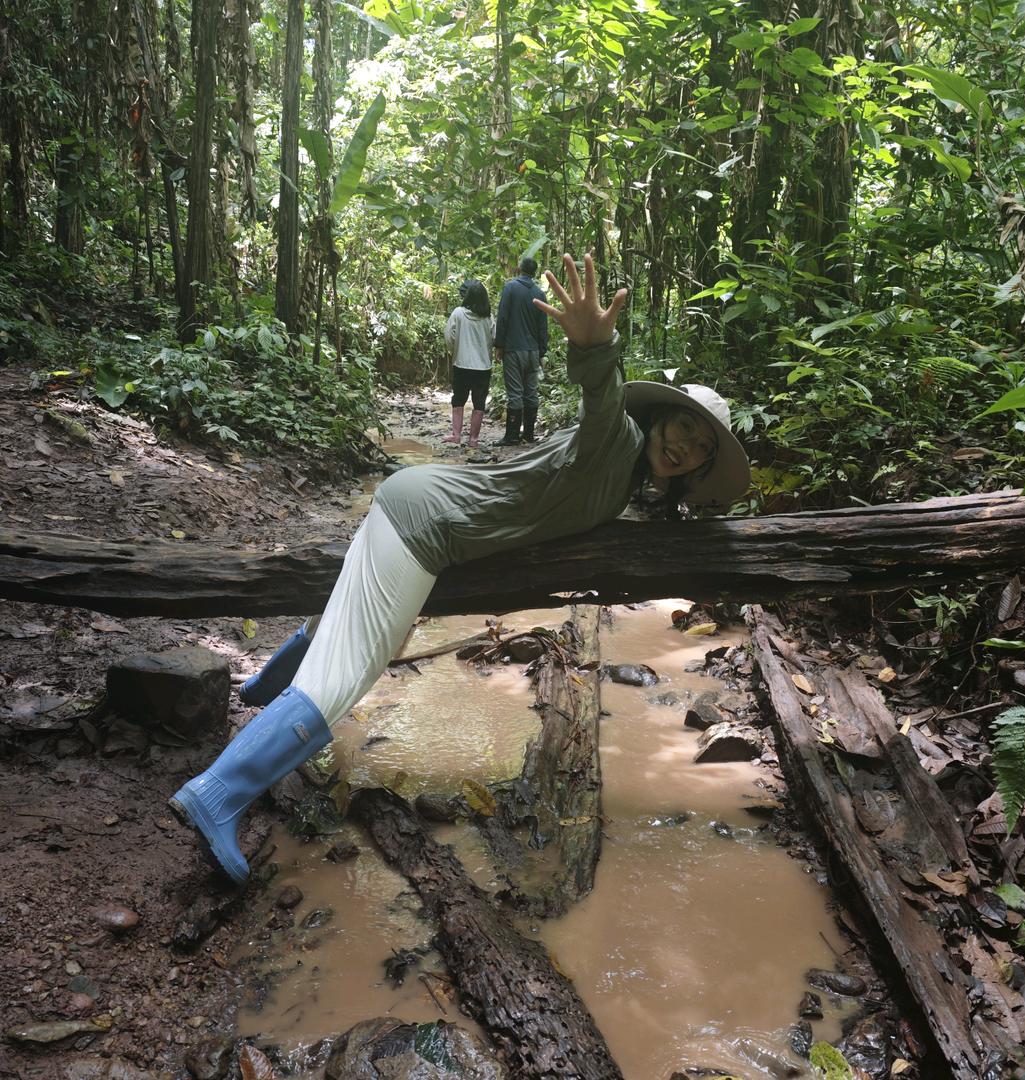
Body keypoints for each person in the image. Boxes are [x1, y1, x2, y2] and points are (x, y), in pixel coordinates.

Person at [170, 253, 751, 885]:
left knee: (368, 632)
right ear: (659, 417)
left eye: (700, 448)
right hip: (427, 528)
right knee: (347, 678)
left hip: (419, 502)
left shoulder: (626, 474)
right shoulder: (617, 441)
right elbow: (603, 397)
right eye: (683, 429)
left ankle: (264, 687)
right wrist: (597, 346)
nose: (685, 447)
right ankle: (219, 793)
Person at [493, 256, 548, 446]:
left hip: (513, 350)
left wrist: (499, 345)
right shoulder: (540, 294)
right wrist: (542, 352)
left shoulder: (510, 288)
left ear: (520, 269)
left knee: (515, 393)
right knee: (531, 393)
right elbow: (543, 327)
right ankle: (529, 435)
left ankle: (512, 436)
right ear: (534, 272)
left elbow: (503, 317)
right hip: (533, 352)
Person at [443, 280, 494, 448]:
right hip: (483, 366)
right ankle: (473, 439)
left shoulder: (458, 313)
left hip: (462, 364)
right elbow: (494, 338)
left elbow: (449, 336)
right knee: (479, 402)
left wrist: (455, 350)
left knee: (458, 399)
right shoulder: (488, 317)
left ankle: (456, 435)